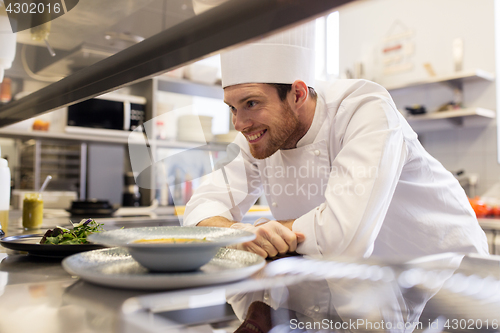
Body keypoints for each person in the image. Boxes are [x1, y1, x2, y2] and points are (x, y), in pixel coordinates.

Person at [182, 23, 489, 260]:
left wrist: (261, 234)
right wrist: (238, 233)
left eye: (251, 103)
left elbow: (345, 238)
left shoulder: (365, 110)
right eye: (233, 108)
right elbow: (201, 206)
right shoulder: (258, 134)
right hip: (369, 291)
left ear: (298, 94)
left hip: (448, 284)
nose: (239, 123)